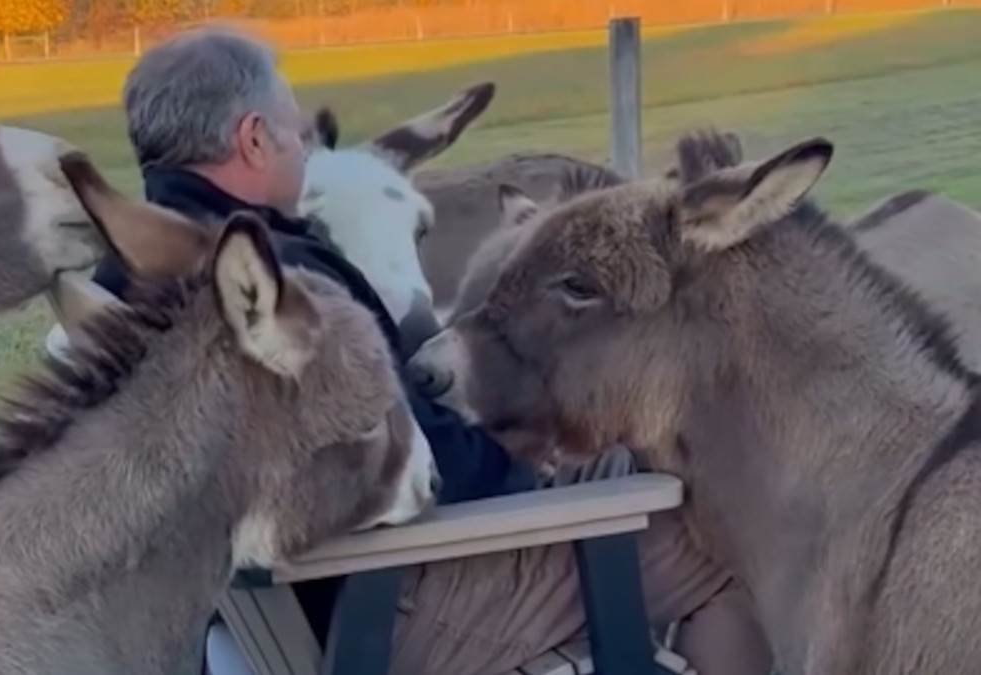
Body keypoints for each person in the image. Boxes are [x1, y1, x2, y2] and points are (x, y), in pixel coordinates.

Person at [46, 26, 773, 675]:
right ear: (253, 139)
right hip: (397, 591)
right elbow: (428, 467)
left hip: (278, 611)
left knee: (621, 464)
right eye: (296, 131)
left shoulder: (121, 281)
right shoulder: (279, 279)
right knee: (710, 546)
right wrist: (534, 467)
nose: (304, 144)